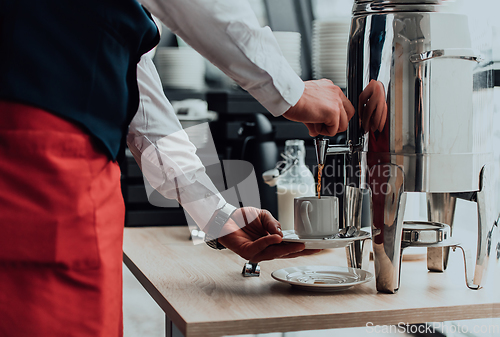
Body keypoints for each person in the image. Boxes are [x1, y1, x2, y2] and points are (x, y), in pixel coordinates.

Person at [0, 0, 354, 336]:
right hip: (38, 160)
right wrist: (291, 92)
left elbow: (136, 84)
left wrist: (216, 213)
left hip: (65, 159)